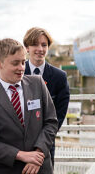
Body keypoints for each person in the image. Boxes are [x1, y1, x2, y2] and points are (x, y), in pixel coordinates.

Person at [0, 38, 58, 174]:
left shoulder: (37, 84)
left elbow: (51, 122)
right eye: (15, 63)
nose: (21, 68)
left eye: (23, 62)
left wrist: (37, 155)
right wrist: (20, 155)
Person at [23, 27, 70, 165]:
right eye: (35, 44)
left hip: (46, 143)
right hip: (20, 142)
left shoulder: (59, 77)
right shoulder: (18, 73)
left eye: (44, 45)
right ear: (27, 47)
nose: (40, 49)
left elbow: (59, 115)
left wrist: (43, 142)